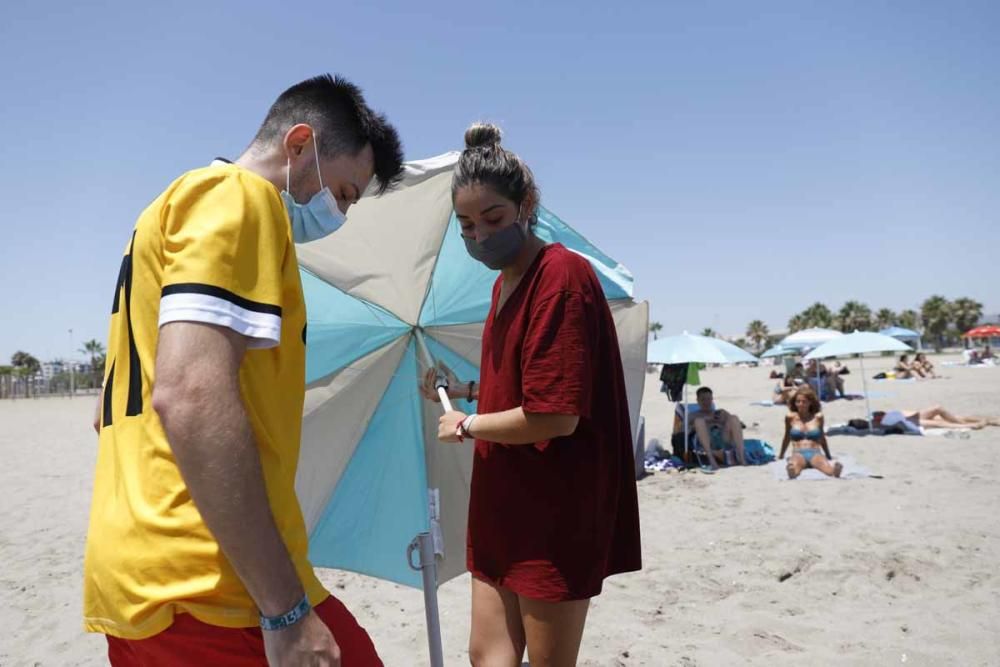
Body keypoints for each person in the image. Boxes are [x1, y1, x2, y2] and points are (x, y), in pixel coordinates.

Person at [84, 75, 404, 666]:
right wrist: (283, 608)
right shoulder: (240, 197)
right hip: (210, 581)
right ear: (300, 144)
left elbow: (105, 410)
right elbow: (188, 395)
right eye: (344, 192)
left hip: (133, 572)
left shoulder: (162, 211)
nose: (341, 213)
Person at [419, 123, 641, 667]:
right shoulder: (503, 284)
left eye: (493, 219)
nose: (479, 236)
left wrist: (466, 425)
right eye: (466, 226)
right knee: (486, 655)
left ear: (527, 205)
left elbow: (556, 414)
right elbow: (522, 383)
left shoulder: (561, 275)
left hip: (555, 506)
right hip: (501, 498)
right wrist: (464, 391)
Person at [779, 387, 842, 479]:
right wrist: (781, 455)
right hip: (798, 452)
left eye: (804, 402)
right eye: (798, 401)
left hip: (815, 452)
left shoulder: (818, 417)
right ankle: (792, 470)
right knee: (794, 468)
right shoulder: (790, 417)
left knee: (828, 470)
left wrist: (828, 455)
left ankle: (836, 470)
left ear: (810, 403)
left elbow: (822, 437)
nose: (800, 404)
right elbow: (787, 437)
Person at [689, 386, 747, 468]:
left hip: (723, 438)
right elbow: (685, 430)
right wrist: (706, 420)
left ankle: (741, 458)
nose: (706, 402)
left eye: (709, 399)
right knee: (699, 421)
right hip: (707, 441)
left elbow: (739, 425)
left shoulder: (720, 412)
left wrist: (724, 420)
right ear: (697, 401)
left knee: (734, 417)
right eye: (703, 399)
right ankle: (711, 460)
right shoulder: (693, 415)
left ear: (712, 400)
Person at [873, 408, 1000, 431]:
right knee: (940, 422)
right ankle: (973, 425)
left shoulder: (877, 419)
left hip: (914, 416)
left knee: (941, 411)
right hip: (911, 421)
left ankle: (990, 420)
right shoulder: (879, 424)